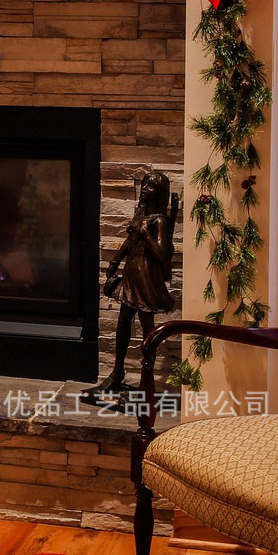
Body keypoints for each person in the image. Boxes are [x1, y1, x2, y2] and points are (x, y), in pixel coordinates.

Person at [82, 172, 177, 405]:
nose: (145, 188)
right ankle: (117, 371)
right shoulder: (141, 213)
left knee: (147, 325)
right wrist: (115, 261)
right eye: (144, 184)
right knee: (123, 321)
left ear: (159, 192)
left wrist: (146, 232)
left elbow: (160, 253)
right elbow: (129, 241)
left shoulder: (159, 221)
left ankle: (147, 379)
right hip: (131, 273)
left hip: (146, 277)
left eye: (151, 186)